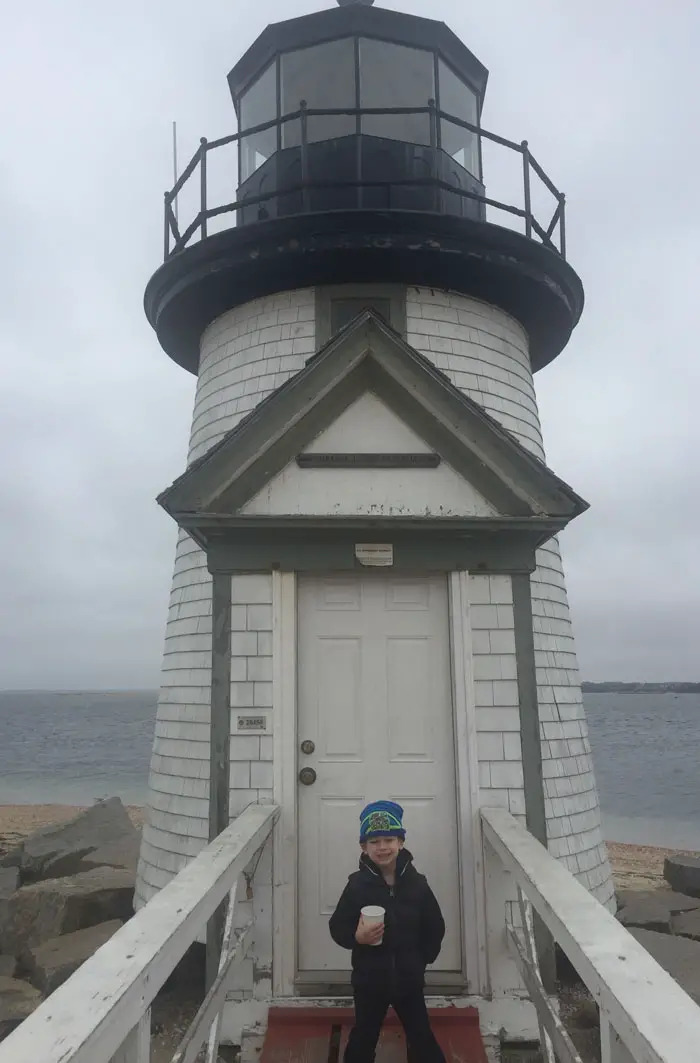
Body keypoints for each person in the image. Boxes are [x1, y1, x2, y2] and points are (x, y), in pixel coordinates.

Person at [329, 800, 447, 1063]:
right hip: (369, 979)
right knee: (363, 1037)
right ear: (363, 847)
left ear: (401, 842)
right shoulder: (357, 886)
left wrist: (422, 960)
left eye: (388, 839)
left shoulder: (418, 885)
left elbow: (434, 925)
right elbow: (337, 926)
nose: (382, 847)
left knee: (421, 1036)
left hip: (409, 979)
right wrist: (356, 938)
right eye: (374, 841)